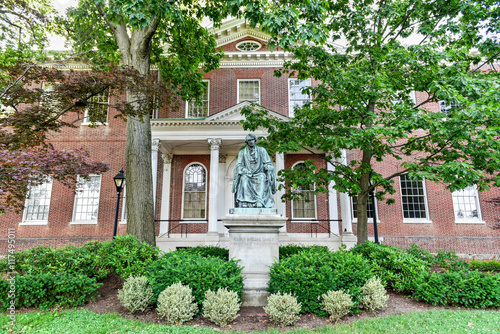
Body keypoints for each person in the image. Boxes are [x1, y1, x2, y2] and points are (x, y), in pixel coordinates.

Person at [232, 134, 276, 208]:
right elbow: (239, 165)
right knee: (244, 178)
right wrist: (244, 170)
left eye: (252, 140)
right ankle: (245, 201)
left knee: (262, 177)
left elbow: (268, 163)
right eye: (249, 140)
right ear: (247, 142)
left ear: (255, 140)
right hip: (247, 173)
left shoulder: (262, 150)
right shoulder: (242, 152)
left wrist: (267, 167)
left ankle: (259, 201)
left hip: (259, 173)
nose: (251, 142)